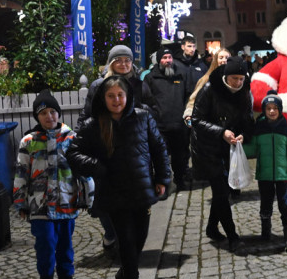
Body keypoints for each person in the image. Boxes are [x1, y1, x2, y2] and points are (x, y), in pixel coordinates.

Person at [67, 76, 171, 279]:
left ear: (128, 96)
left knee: (140, 238)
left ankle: (125, 271)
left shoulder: (143, 117)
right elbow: (73, 153)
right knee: (125, 240)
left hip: (141, 188)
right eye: (111, 96)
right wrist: (97, 166)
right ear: (103, 99)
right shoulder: (94, 124)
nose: (116, 100)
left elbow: (159, 148)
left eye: (120, 95)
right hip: (114, 192)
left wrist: (163, 179)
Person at [12, 90, 84, 279]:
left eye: (53, 112)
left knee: (65, 243)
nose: (49, 116)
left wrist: (86, 196)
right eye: (44, 113)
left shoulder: (71, 138)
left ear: (58, 113)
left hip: (66, 200)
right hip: (39, 203)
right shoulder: (29, 142)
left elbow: (81, 170)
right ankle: (45, 278)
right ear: (37, 117)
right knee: (44, 241)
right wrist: (20, 202)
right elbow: (21, 173)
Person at [80, 44, 143, 255]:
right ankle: (111, 233)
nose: (124, 64)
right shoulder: (99, 85)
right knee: (105, 197)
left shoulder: (138, 83)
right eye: (119, 60)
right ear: (111, 62)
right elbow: (87, 114)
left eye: (127, 60)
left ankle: (128, 241)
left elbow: (151, 107)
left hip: (133, 147)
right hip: (106, 146)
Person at [190, 57, 255, 249]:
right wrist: (221, 132)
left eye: (241, 79)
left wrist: (244, 134)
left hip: (230, 147)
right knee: (220, 189)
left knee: (223, 191)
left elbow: (248, 119)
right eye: (234, 78)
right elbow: (196, 119)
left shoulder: (244, 92)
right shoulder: (210, 89)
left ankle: (211, 228)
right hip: (207, 147)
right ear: (226, 76)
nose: (238, 82)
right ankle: (233, 236)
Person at [243, 92, 287, 252]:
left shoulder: (286, 130)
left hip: (282, 175)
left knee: (284, 203)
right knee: (266, 202)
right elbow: (252, 148)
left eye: (275, 108)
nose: (271, 111)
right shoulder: (259, 129)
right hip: (265, 175)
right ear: (263, 110)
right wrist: (238, 145)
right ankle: (265, 231)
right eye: (268, 108)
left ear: (280, 109)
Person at [142, 48, 192, 184]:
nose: (168, 60)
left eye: (169, 57)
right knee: (161, 157)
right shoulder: (150, 78)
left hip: (179, 124)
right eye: (164, 58)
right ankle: (163, 183)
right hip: (160, 125)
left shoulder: (181, 75)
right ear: (159, 61)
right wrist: (155, 115)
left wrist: (187, 112)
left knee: (180, 156)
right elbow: (146, 100)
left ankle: (180, 180)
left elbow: (189, 95)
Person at [183, 47, 230, 128]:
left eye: (227, 58)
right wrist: (189, 115)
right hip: (209, 124)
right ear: (215, 60)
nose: (224, 60)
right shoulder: (206, 79)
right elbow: (193, 100)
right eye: (221, 57)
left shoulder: (234, 79)